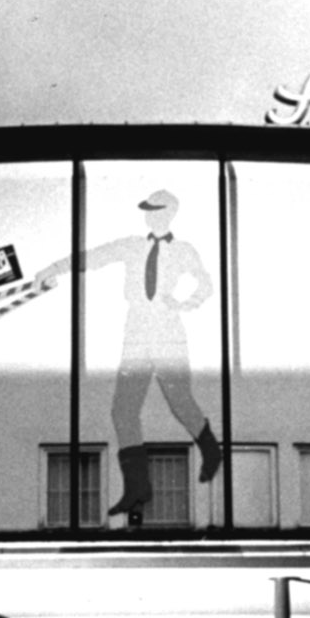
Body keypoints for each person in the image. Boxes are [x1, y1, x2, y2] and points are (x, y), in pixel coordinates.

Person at [33, 191, 223, 518]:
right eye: (148, 211)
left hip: (167, 328)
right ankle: (137, 487)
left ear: (171, 213)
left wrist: (185, 303)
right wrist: (52, 269)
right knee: (123, 408)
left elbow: (205, 284)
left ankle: (211, 451)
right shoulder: (132, 245)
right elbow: (93, 257)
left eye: (157, 211)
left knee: (180, 401)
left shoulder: (183, 250)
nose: (151, 216)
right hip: (136, 329)